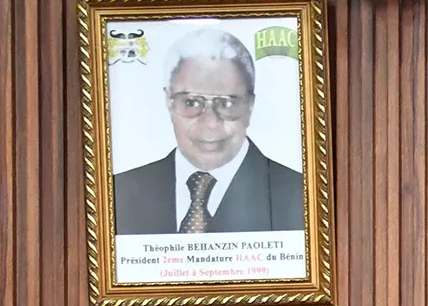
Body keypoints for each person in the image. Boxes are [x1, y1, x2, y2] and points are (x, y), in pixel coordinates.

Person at [110, 26, 305, 236]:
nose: (211, 122)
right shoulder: (118, 194)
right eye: (192, 102)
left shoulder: (301, 195)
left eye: (227, 103)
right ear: (169, 101)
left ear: (250, 106)